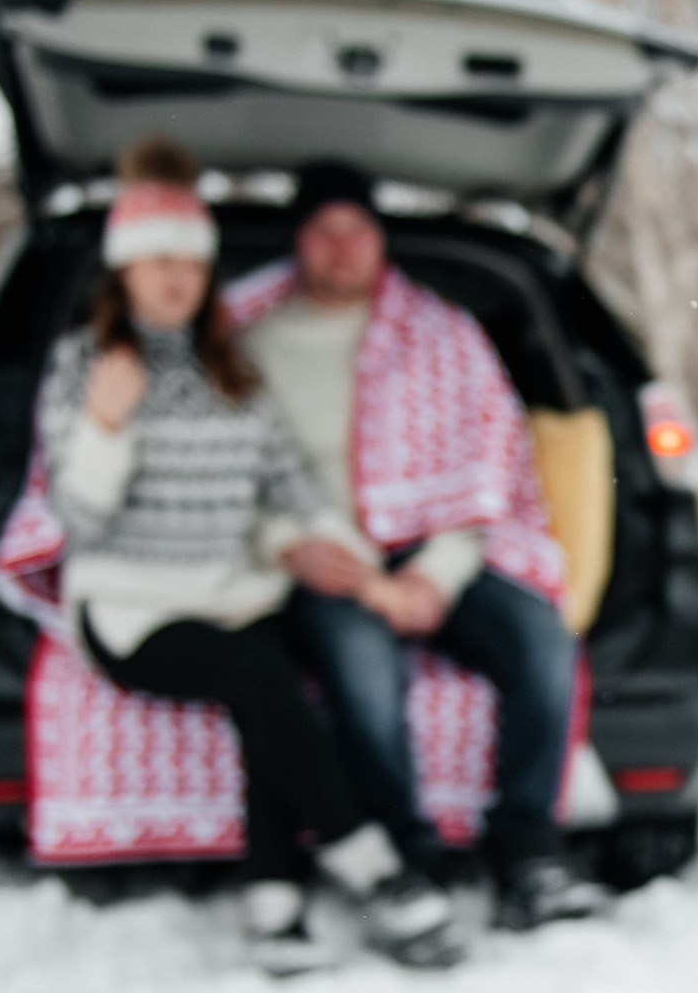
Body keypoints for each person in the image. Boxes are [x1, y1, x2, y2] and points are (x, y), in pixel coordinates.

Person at [41, 136, 461, 975]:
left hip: (234, 590)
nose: (174, 281)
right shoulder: (86, 365)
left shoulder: (234, 369)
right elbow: (78, 520)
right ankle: (371, 864)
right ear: (124, 272)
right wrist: (105, 427)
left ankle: (274, 907)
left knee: (274, 693)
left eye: (190, 266)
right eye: (156, 263)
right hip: (133, 605)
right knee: (260, 678)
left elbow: (295, 492)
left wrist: (373, 578)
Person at [230, 160, 604, 934]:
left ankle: (527, 846)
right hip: (324, 558)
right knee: (363, 671)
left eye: (357, 230)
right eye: (323, 231)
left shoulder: (444, 337)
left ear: (378, 240)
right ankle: (409, 857)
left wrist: (434, 578)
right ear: (298, 242)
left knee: (542, 641)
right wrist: (292, 548)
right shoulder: (251, 343)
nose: (341, 248)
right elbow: (236, 481)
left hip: (443, 552)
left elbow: (485, 475)